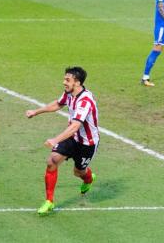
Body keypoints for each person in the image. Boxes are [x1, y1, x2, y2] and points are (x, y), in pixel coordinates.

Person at [25, 66, 98, 216]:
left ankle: (89, 178)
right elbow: (58, 104)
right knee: (52, 160)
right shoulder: (70, 93)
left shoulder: (85, 101)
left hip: (87, 144)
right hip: (72, 138)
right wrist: (36, 111)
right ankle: (49, 201)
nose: (64, 82)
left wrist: (55, 139)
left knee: (78, 172)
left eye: (67, 80)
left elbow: (76, 125)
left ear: (77, 82)